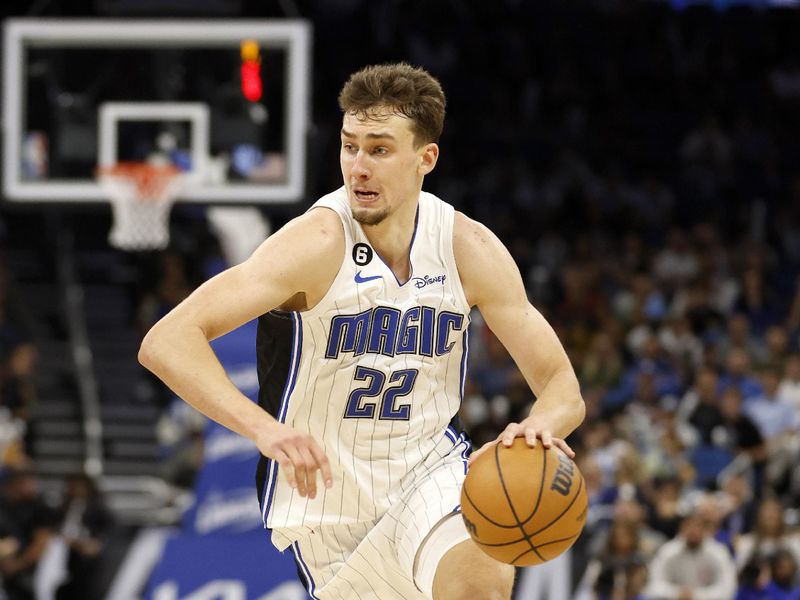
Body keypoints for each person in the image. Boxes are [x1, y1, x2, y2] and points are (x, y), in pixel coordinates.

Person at [139, 62, 585, 600]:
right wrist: (265, 430)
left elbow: (561, 384)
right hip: (326, 507)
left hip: (430, 475)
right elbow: (167, 341)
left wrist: (540, 425)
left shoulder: (468, 248)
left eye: (379, 149)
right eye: (350, 147)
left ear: (426, 158)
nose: (359, 167)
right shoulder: (316, 242)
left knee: (480, 585)